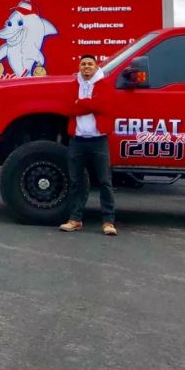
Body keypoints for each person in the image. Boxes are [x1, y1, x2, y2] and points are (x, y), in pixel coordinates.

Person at [60, 54, 117, 236]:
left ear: (95, 67)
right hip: (77, 141)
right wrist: (90, 104)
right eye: (83, 64)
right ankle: (75, 220)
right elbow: (68, 108)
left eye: (90, 64)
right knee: (76, 182)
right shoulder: (72, 86)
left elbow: (104, 106)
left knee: (104, 181)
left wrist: (81, 103)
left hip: (99, 140)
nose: (86, 67)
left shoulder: (104, 85)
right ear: (79, 67)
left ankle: (108, 222)